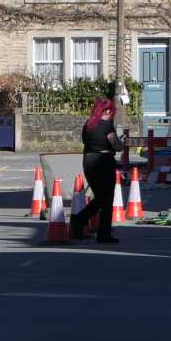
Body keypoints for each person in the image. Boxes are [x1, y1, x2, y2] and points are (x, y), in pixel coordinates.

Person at [68, 97, 123, 244]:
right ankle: (102, 233)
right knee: (106, 199)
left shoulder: (88, 125)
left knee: (99, 197)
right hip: (103, 162)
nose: (112, 113)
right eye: (111, 111)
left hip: (88, 161)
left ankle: (79, 222)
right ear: (107, 111)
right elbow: (116, 145)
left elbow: (86, 142)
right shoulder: (107, 126)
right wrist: (122, 142)